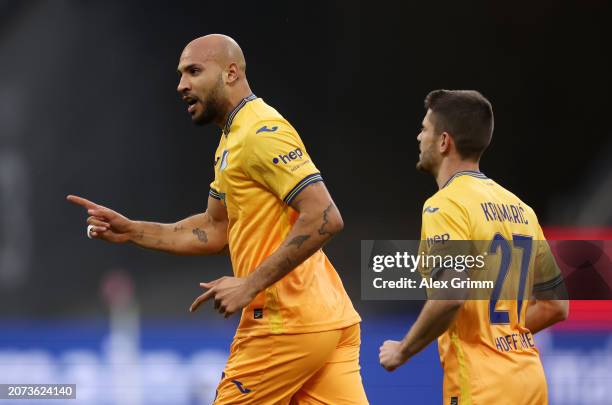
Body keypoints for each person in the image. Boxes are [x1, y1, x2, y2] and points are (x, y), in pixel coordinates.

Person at [67, 34, 367, 405]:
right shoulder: (232, 139)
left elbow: (324, 215)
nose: (181, 85)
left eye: (193, 71)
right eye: (180, 74)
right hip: (326, 319)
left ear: (231, 73)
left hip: (282, 323)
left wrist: (250, 284)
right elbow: (214, 229)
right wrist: (133, 231)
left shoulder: (260, 132)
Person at [378, 90, 569, 404]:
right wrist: (502, 337)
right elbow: (556, 305)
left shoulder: (445, 206)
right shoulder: (521, 208)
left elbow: (450, 295)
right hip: (529, 381)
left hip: (481, 387)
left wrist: (403, 350)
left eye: (424, 128)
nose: (418, 136)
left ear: (443, 141)